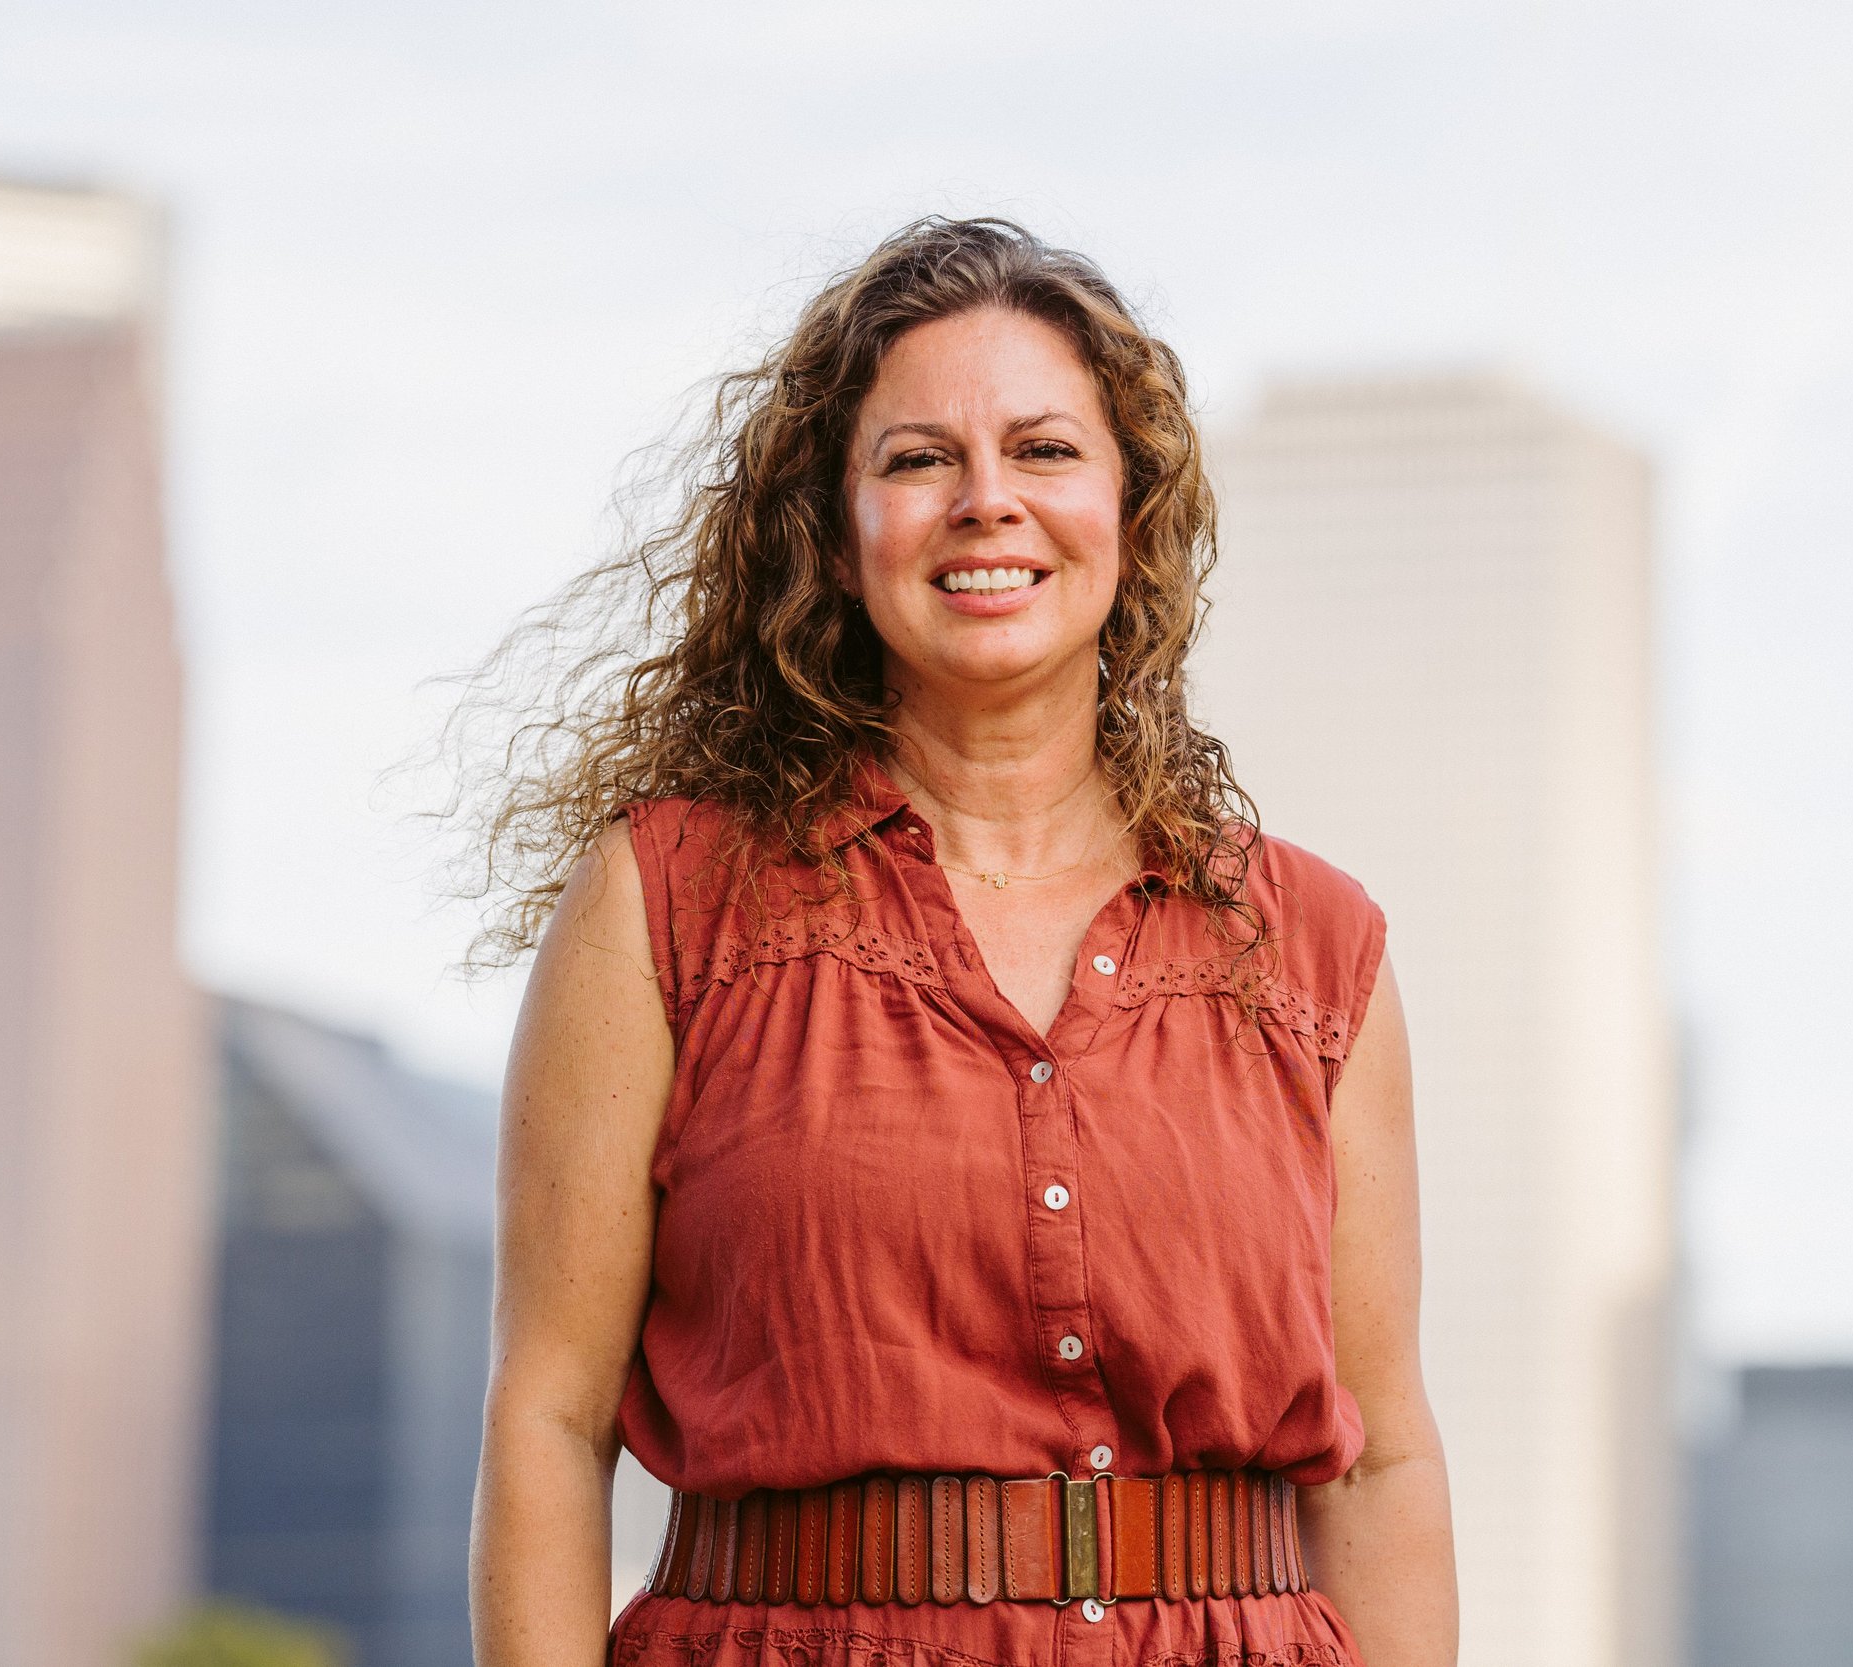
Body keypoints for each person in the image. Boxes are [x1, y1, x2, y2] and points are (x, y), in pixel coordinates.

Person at [465, 217, 1455, 1667]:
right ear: (834, 526)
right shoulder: (665, 903)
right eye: (920, 459)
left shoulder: (1314, 948)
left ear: (1130, 509)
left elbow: (1378, 1457)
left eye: (1045, 452)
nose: (988, 501)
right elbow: (549, 1421)